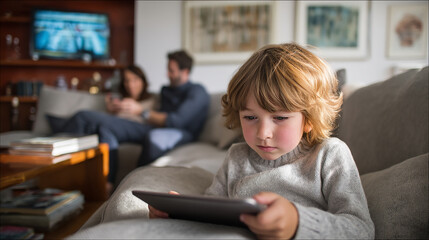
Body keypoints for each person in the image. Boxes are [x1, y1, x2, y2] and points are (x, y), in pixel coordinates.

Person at [149, 43, 374, 239]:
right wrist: (181, 214)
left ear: (309, 120)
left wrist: (298, 223)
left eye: (280, 117)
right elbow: (213, 211)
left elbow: (360, 229)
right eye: (250, 117)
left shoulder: (330, 155)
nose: (263, 133)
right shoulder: (237, 156)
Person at [51, 51, 210, 192]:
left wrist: (142, 111)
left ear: (186, 71)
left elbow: (177, 121)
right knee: (103, 126)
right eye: (167, 69)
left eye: (171, 71)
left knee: (155, 137)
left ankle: (133, 187)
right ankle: (107, 184)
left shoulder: (197, 91)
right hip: (152, 127)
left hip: (182, 133)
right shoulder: (165, 90)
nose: (167, 74)